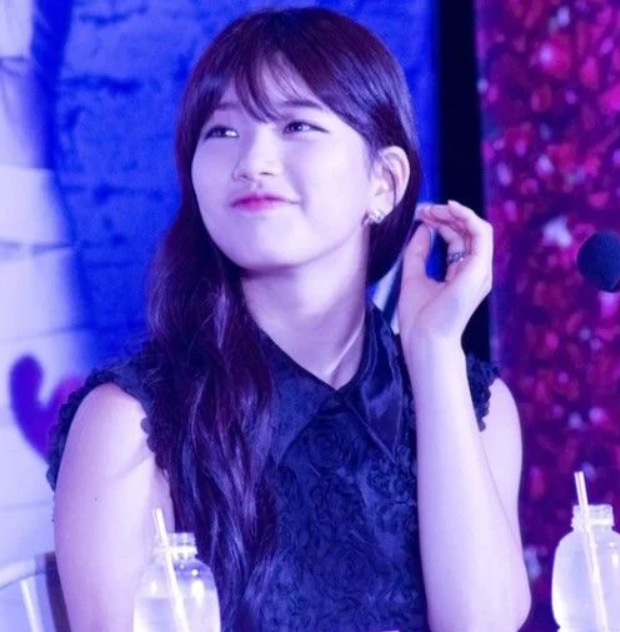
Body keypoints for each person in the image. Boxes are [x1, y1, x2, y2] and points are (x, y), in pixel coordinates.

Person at [47, 7, 531, 632]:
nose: (253, 160)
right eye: (222, 131)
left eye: (297, 125)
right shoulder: (134, 426)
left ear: (384, 182)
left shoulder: (474, 405)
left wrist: (434, 354)